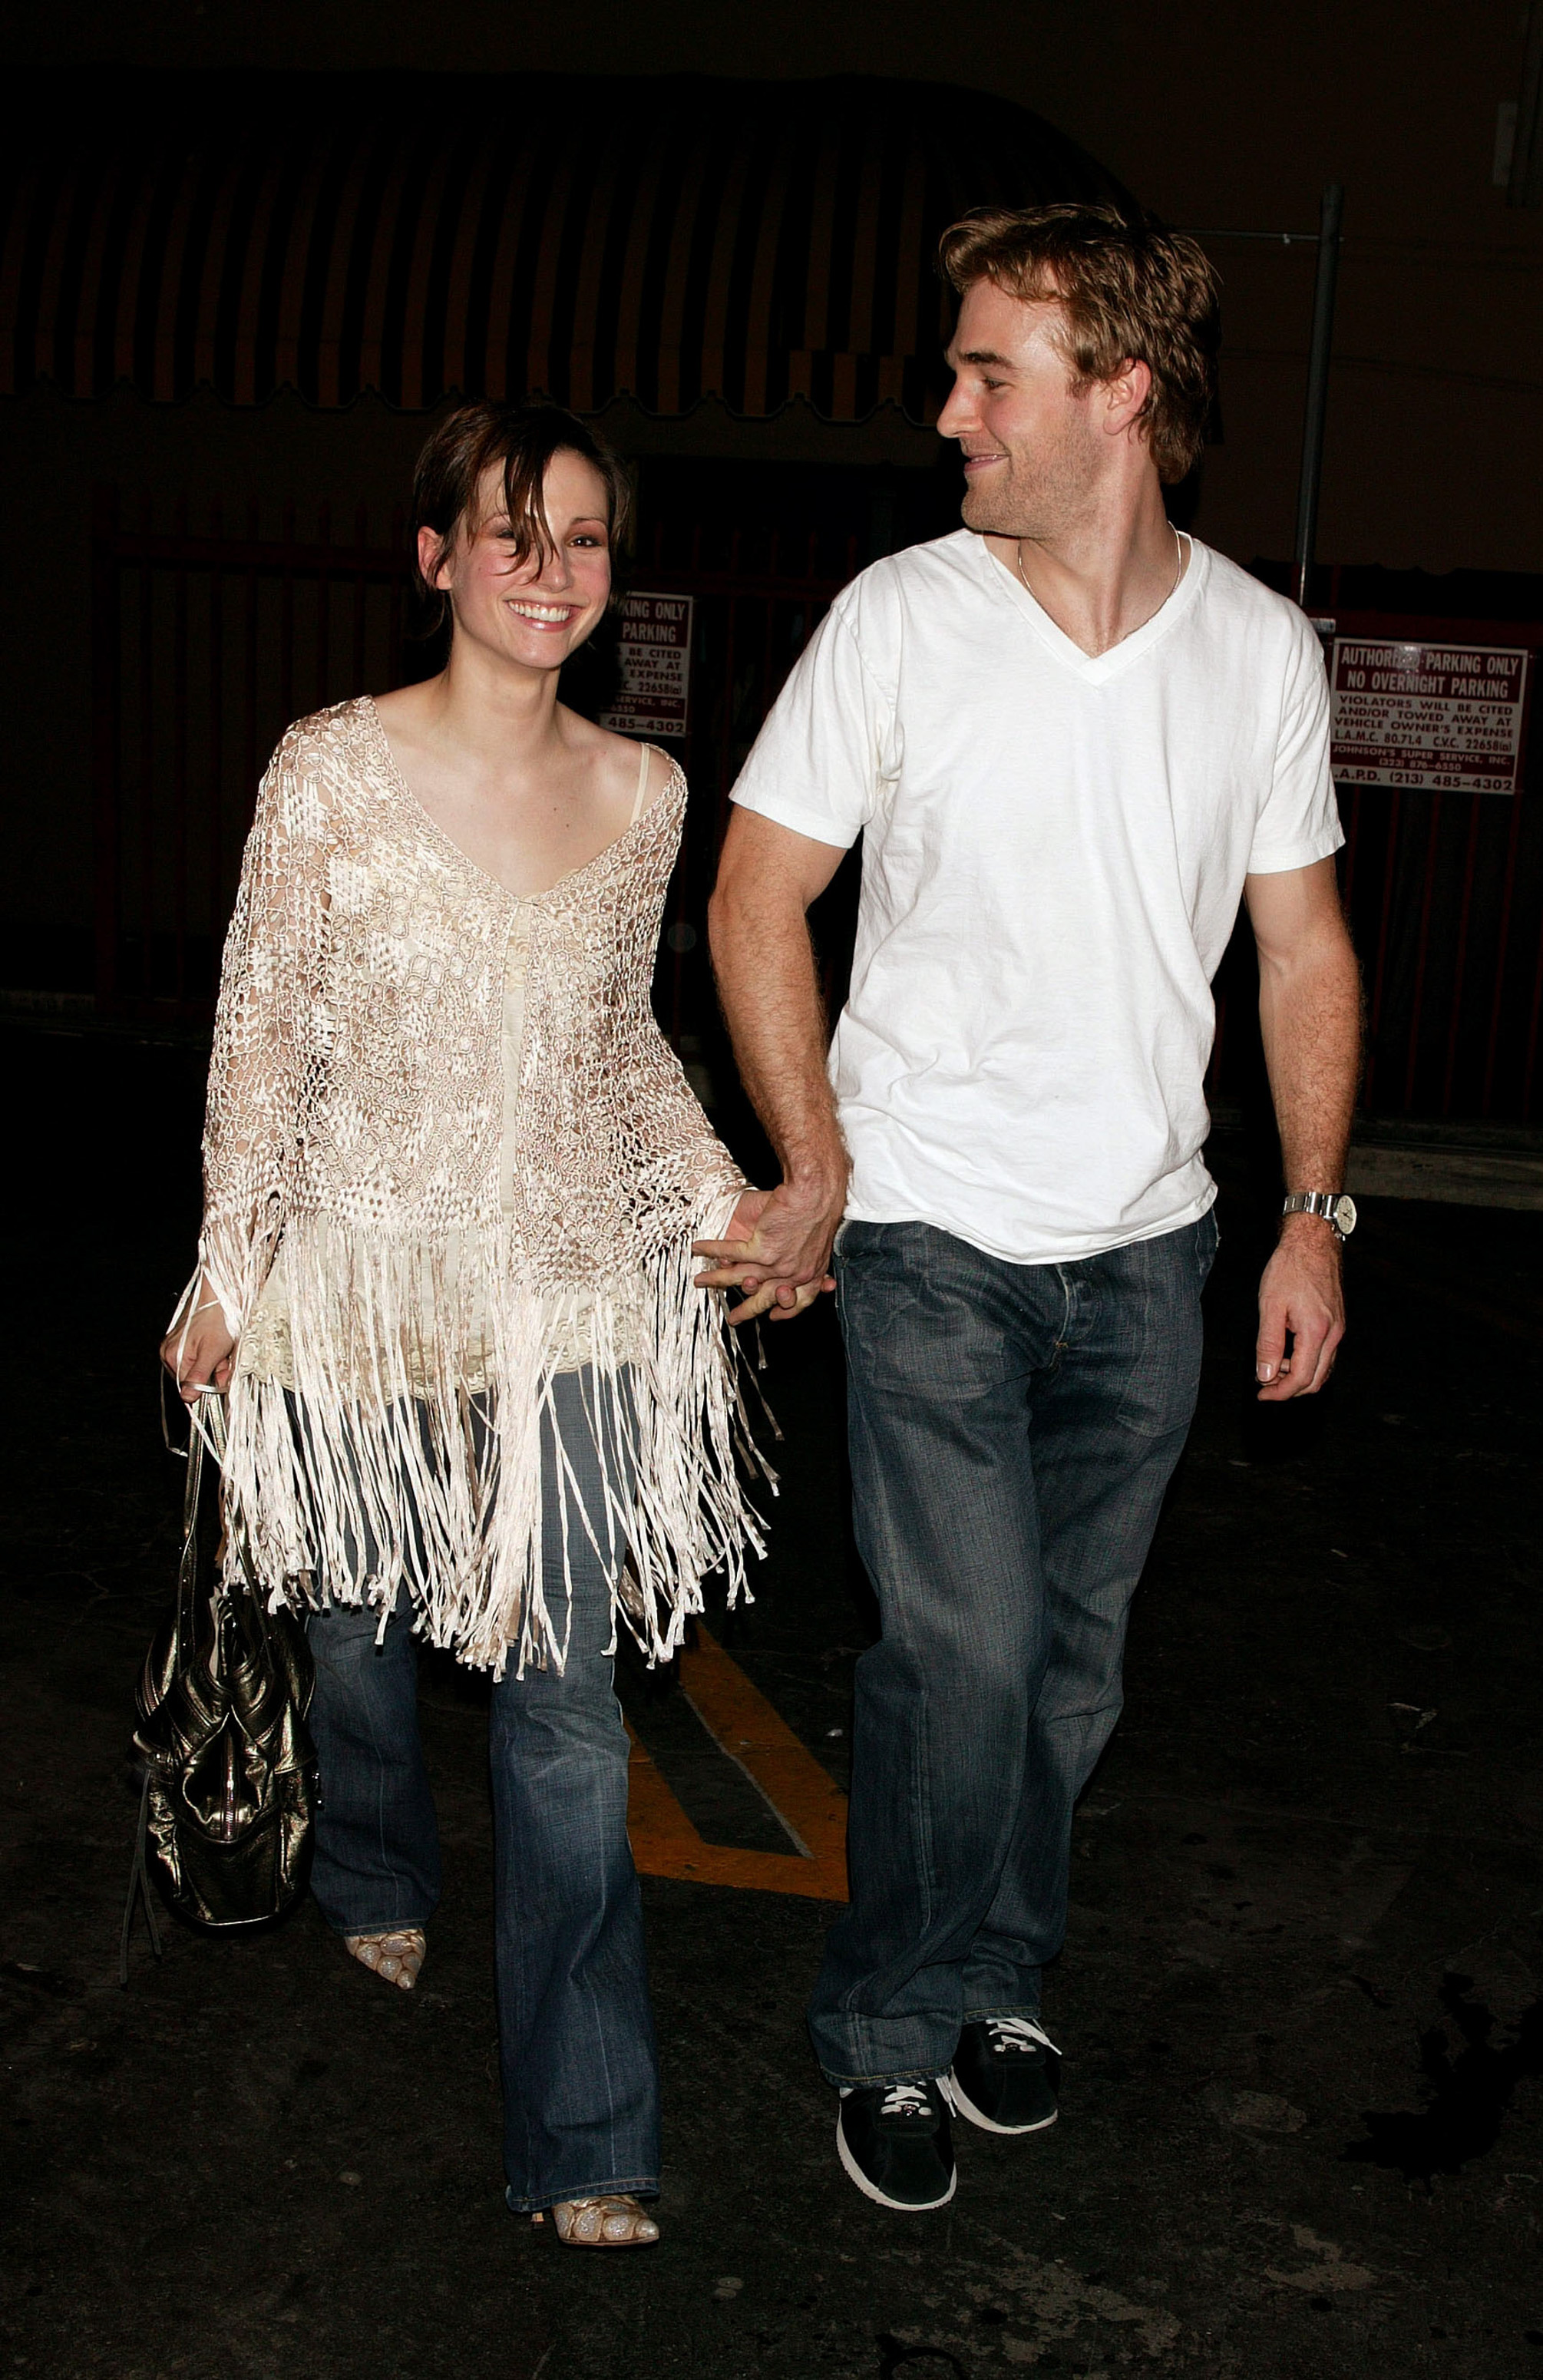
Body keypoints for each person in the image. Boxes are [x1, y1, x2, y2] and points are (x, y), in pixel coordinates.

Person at [698, 203, 1362, 2213]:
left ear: (1119, 390)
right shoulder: (902, 616)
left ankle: (1000, 1970)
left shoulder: (1255, 647)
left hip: (1150, 1252)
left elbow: (1306, 945)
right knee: (963, 1657)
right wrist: (815, 1167)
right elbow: (752, 897)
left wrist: (1313, 1207)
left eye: (991, 372)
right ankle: (888, 2023)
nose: (948, 410)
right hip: (930, 1246)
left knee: (1069, 1669)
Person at [161, 399, 781, 2249]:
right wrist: (226, 1261)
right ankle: (370, 1849)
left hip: (572, 1297)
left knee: (566, 1712)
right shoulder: (327, 772)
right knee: (353, 1625)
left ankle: (590, 2129)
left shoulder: (649, 790)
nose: (548, 567)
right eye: (512, 532)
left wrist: (721, 1197)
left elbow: (622, 1047)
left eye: (582, 538)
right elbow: (264, 1030)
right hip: (359, 1280)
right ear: (436, 557)